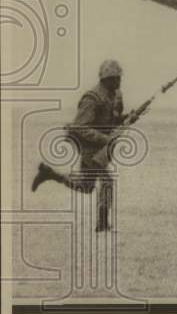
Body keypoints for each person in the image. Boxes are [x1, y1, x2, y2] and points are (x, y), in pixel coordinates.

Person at [31, 59, 127, 232]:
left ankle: (50, 173)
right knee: (107, 181)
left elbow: (113, 118)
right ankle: (102, 224)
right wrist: (104, 139)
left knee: (86, 186)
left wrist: (128, 118)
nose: (119, 81)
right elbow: (79, 127)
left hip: (100, 147)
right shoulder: (92, 97)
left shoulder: (116, 95)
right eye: (115, 78)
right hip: (89, 146)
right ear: (106, 79)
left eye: (119, 77)